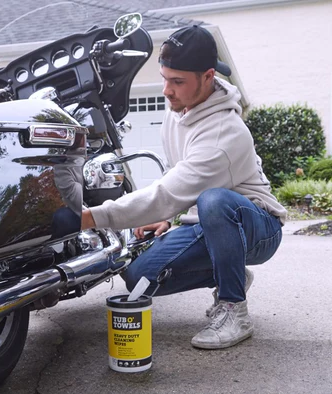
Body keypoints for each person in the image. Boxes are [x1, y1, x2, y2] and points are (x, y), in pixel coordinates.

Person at [81, 25, 287, 350]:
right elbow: (178, 177)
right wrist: (168, 219)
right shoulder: (178, 111)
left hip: (258, 227)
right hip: (208, 223)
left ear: (207, 77)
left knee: (214, 201)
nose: (166, 90)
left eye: (177, 81)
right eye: (164, 78)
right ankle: (229, 273)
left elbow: (167, 194)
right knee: (138, 274)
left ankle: (234, 309)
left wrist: (90, 217)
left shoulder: (224, 134)